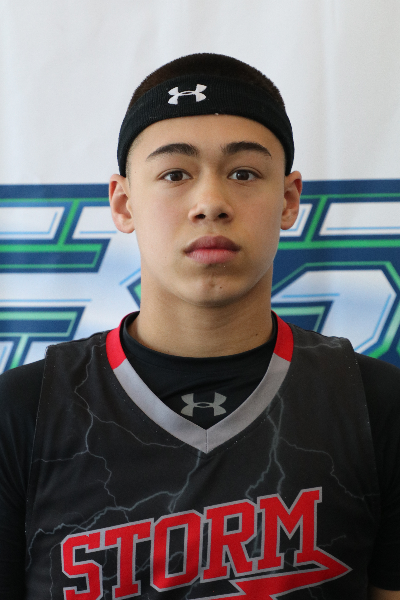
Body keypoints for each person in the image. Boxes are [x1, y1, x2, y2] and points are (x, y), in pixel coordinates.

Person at [0, 53, 399, 600]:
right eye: (175, 174)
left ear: (288, 200)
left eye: (243, 173)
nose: (210, 203)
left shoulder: (377, 406)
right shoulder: (22, 413)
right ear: (123, 203)